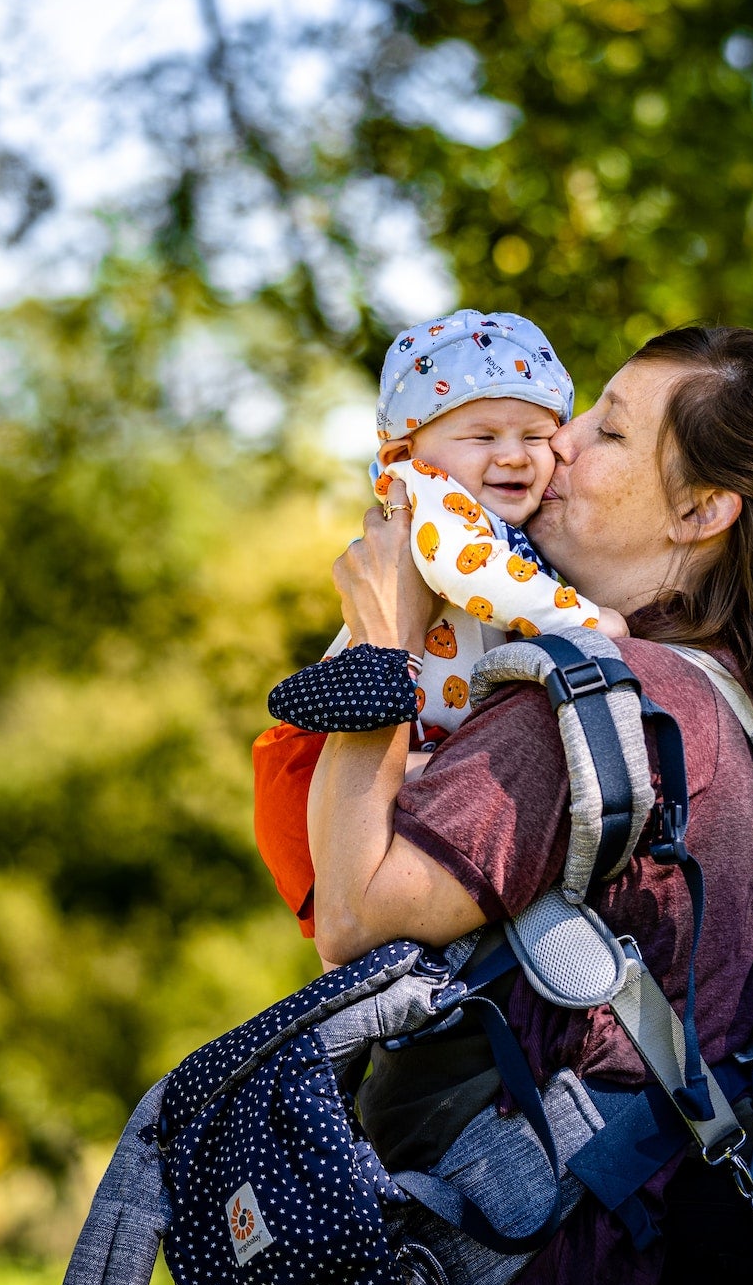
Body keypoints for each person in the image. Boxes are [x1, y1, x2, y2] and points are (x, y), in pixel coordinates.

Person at [312, 325, 753, 1285]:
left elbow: (354, 917)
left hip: (572, 1269)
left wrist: (379, 652)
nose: (555, 444)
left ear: (703, 510)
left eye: (606, 430)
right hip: (709, 1256)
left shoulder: (597, 705)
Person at [253, 309, 622, 936]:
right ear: (405, 450)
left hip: (411, 741)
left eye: (535, 437)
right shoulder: (429, 495)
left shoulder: (499, 519)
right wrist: (587, 621)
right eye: (482, 437)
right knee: (370, 903)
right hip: (328, 756)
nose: (513, 456)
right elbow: (469, 571)